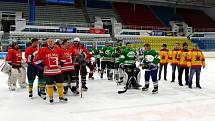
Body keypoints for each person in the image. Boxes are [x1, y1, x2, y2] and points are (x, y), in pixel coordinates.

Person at [36, 38, 67, 103]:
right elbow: (36, 59)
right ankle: (51, 97)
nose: (50, 42)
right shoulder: (43, 50)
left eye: (52, 41)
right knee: (49, 85)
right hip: (48, 72)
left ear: (54, 42)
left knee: (60, 84)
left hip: (57, 71)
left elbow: (64, 58)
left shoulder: (58, 50)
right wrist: (42, 66)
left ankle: (61, 97)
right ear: (47, 43)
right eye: (49, 41)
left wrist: (61, 64)